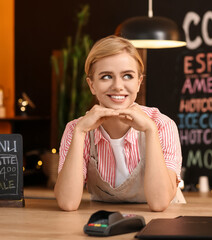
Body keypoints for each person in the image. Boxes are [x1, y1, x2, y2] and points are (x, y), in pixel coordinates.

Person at [54, 35, 184, 212]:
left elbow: (159, 203)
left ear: (139, 83)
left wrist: (150, 131)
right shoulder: (76, 129)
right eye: (106, 76)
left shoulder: (161, 125)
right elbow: (67, 203)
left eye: (127, 76)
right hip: (104, 219)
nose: (117, 86)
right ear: (92, 85)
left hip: (161, 221)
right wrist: (79, 132)